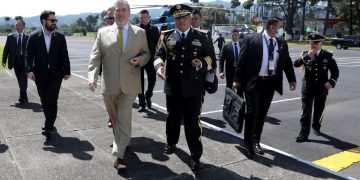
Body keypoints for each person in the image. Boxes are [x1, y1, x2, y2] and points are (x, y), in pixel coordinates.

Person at [88, 0, 150, 170]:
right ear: (113, 14)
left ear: (129, 13)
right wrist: (92, 77)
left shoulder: (140, 33)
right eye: (117, 11)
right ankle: (123, 140)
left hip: (130, 84)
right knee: (116, 120)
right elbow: (95, 57)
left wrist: (140, 60)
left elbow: (147, 54)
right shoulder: (103, 32)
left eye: (124, 10)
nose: (120, 13)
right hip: (109, 85)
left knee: (123, 117)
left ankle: (119, 156)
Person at [154, 4, 213, 172]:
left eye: (184, 17)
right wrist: (159, 68)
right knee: (172, 117)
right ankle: (171, 142)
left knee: (192, 123)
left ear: (190, 18)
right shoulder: (166, 37)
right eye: (178, 18)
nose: (181, 21)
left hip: (193, 89)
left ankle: (195, 156)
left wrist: (201, 63)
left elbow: (211, 58)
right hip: (173, 87)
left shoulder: (201, 36)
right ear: (174, 20)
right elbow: (158, 56)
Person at [233, 17, 297, 157]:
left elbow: (286, 62)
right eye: (280, 26)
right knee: (252, 112)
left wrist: (292, 79)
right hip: (253, 82)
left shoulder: (281, 43)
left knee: (262, 114)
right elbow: (241, 60)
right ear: (272, 27)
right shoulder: (251, 39)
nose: (281, 29)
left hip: (270, 83)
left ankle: (256, 141)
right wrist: (237, 79)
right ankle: (249, 142)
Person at [26, 10, 71, 138]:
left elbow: (64, 55)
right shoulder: (33, 36)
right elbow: (29, 56)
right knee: (44, 100)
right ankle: (50, 122)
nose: (54, 23)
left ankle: (49, 126)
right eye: (52, 20)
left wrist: (67, 71)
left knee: (52, 99)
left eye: (55, 20)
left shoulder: (60, 37)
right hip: (40, 75)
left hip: (56, 75)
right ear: (43, 21)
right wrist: (29, 70)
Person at [294, 33, 339, 142]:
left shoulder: (327, 55)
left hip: (322, 88)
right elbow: (295, 64)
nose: (313, 45)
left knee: (319, 110)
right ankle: (303, 134)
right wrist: (307, 56)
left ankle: (316, 127)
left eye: (316, 43)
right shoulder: (305, 54)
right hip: (308, 88)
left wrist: (331, 82)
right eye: (311, 42)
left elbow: (335, 71)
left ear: (321, 43)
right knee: (306, 111)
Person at [191, 9, 217, 102]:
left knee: (200, 92)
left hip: (202, 67)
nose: (193, 21)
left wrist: (213, 67)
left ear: (200, 19)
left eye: (195, 19)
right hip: (189, 67)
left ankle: (198, 111)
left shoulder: (206, 33)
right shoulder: (187, 31)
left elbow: (211, 51)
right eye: (192, 19)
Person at [137, 9, 160, 112]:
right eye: (141, 17)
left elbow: (159, 45)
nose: (143, 19)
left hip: (150, 59)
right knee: (139, 82)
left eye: (145, 17)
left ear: (149, 17)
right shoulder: (135, 29)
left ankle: (148, 95)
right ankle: (142, 104)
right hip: (138, 59)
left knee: (153, 79)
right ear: (139, 18)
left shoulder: (155, 29)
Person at [2, 19, 29, 104]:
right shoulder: (10, 37)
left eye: (19, 25)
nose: (17, 26)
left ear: (23, 26)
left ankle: (22, 96)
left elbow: (32, 51)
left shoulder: (28, 37)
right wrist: (4, 60)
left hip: (24, 61)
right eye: (16, 25)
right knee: (19, 79)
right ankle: (24, 94)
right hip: (15, 61)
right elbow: (6, 49)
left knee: (24, 78)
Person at [100, 7, 116, 128]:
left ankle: (122, 138)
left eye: (111, 18)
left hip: (125, 74)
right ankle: (111, 116)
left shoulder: (131, 32)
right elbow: (97, 54)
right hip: (107, 73)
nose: (108, 21)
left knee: (122, 105)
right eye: (107, 18)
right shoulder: (102, 32)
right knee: (110, 100)